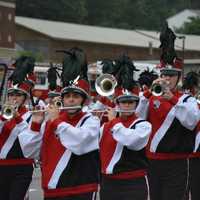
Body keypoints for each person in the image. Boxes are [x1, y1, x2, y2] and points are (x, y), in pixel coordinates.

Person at [19, 78, 101, 200]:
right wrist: (35, 125)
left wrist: (56, 121)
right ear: (63, 100)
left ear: (84, 101)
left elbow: (79, 143)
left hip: (82, 189)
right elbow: (29, 152)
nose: (71, 100)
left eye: (76, 96)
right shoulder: (51, 122)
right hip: (53, 191)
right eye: (67, 96)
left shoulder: (91, 121)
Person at [137, 64, 199, 200]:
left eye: (171, 76)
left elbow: (191, 121)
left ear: (178, 79)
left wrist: (172, 99)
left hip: (177, 162)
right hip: (152, 161)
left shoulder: (187, 100)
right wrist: (147, 93)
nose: (166, 79)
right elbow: (138, 118)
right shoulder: (151, 98)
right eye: (164, 75)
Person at [99, 88, 152, 200]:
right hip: (108, 183)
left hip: (133, 183)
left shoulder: (143, 125)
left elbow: (131, 140)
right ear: (118, 105)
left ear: (136, 105)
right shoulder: (105, 127)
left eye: (131, 102)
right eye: (123, 102)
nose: (127, 105)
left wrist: (113, 121)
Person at [0, 80, 34, 200]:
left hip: (22, 168)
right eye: (11, 95)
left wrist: (17, 118)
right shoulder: (1, 114)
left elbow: (29, 137)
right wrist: (2, 118)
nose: (14, 98)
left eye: (18, 95)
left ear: (25, 98)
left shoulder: (32, 115)